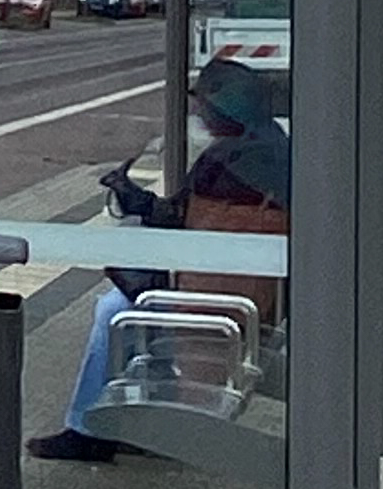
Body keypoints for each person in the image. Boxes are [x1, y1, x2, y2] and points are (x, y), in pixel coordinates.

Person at [29, 57, 290, 466]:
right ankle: (152, 416)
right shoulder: (270, 147)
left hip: (220, 298)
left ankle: (86, 432)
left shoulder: (229, 161)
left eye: (205, 106)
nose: (200, 114)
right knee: (133, 303)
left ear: (226, 110)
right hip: (253, 292)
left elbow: (191, 223)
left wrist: (140, 202)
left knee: (113, 310)